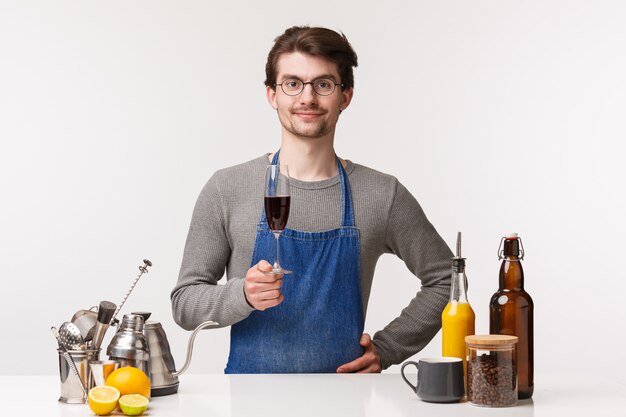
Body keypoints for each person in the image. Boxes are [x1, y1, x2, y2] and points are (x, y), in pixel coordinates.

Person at [171, 26, 452, 373]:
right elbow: (184, 303)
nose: (307, 98)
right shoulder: (227, 188)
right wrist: (241, 295)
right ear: (272, 95)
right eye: (292, 84)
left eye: (323, 84)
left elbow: (448, 279)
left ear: (345, 96)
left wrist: (389, 347)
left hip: (345, 402)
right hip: (249, 403)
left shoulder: (382, 194)